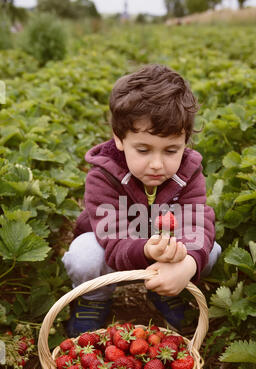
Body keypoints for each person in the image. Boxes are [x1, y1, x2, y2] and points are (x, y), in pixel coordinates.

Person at [62, 64, 221, 337]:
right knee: (83, 255)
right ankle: (94, 299)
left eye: (171, 150)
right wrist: (148, 250)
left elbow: (197, 222)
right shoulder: (104, 175)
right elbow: (113, 243)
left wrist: (187, 265)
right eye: (144, 149)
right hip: (116, 248)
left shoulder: (189, 171)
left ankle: (164, 290)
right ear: (120, 138)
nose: (157, 164)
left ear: (185, 142)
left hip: (167, 249)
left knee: (212, 251)